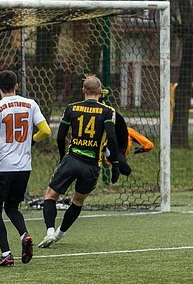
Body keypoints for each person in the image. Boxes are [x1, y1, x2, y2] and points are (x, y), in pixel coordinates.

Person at [38, 75, 129, 248]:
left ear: (83, 90)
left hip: (72, 158)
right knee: (77, 201)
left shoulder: (71, 108)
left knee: (50, 195)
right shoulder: (108, 111)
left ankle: (49, 231)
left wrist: (62, 157)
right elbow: (111, 137)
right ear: (100, 91)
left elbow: (60, 137)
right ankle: (59, 234)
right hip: (92, 165)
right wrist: (115, 164)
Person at [0, 70, 51, 267]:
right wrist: (31, 141)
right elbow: (46, 131)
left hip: (1, 167)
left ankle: (6, 254)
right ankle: (24, 235)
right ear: (16, 86)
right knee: (12, 207)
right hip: (23, 168)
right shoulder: (31, 104)